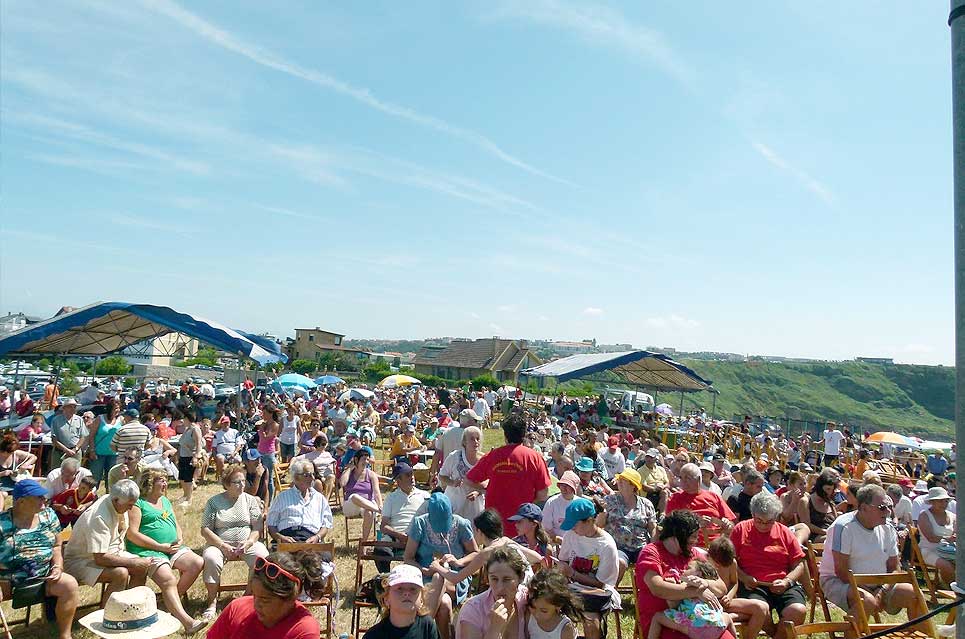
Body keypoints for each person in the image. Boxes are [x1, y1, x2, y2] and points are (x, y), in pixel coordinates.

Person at [64, 479, 206, 633]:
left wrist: (137, 563)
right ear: (116, 500)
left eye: (133, 504)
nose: (131, 508)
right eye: (129, 504)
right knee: (121, 573)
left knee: (140, 568)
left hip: (112, 553)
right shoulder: (99, 516)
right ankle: (108, 620)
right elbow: (100, 557)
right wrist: (134, 562)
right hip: (82, 561)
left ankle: (132, 614)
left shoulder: (119, 505)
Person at [819, 484, 927, 619]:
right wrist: (870, 590)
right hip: (838, 581)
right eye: (882, 508)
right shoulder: (844, 527)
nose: (888, 511)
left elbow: (895, 567)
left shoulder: (888, 528)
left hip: (880, 584)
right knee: (866, 600)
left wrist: (881, 590)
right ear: (864, 508)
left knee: (915, 595)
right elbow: (841, 571)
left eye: (889, 506)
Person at [0, 479, 79, 639]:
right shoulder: (2, 523)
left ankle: (65, 635)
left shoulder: (48, 516)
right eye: (39, 497)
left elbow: (57, 546)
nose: (44, 500)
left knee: (69, 584)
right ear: (21, 502)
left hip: (44, 576)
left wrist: (57, 567)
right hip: (6, 581)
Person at [634, 510, 731, 639]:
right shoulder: (651, 552)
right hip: (665, 623)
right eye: (693, 537)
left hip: (700, 621)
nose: (696, 541)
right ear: (676, 536)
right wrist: (695, 592)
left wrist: (706, 583)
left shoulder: (694, 554)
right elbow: (658, 588)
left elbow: (721, 587)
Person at [124, 468, 204, 615]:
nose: (166, 484)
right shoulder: (138, 503)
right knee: (168, 578)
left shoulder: (165, 501)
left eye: (166, 480)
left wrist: (179, 538)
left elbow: (175, 523)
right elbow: (132, 534)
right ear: (149, 483)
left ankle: (170, 602)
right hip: (147, 550)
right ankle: (176, 610)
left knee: (197, 563)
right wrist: (160, 547)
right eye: (161, 480)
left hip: (171, 548)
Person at [729, 492, 806, 639]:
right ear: (752, 515)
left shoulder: (784, 532)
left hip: (782, 583)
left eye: (769, 522)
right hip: (753, 585)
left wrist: (787, 581)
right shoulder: (740, 529)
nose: (763, 525)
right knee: (760, 610)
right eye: (759, 521)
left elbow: (799, 564)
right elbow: (730, 563)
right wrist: (744, 578)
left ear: (776, 517)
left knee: (798, 611)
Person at [200, 463, 270, 621]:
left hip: (246, 543)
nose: (242, 485)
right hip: (220, 544)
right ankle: (211, 602)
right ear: (226, 484)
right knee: (211, 558)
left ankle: (248, 597)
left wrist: (249, 543)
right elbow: (205, 529)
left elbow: (257, 527)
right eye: (237, 482)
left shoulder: (250, 500)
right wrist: (223, 546)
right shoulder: (214, 502)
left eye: (243, 481)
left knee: (263, 557)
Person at [405, 492, 479, 639]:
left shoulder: (461, 524)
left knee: (440, 576)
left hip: (456, 577)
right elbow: (408, 558)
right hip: (426, 578)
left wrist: (458, 562)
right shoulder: (420, 523)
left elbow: (476, 554)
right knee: (444, 604)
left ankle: (420, 631)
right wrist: (424, 570)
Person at [465, 413, 552, 535]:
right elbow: (543, 494)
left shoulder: (492, 456)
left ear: (505, 435)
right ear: (524, 434)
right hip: (523, 524)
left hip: (494, 525)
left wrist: (486, 488)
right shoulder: (535, 458)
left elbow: (469, 480)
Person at [206, 551, 324, 638]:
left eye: (265, 600)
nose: (256, 604)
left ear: (290, 598)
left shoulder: (303, 629)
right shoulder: (237, 608)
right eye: (254, 595)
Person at [557, 498, 621, 639]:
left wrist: (572, 573)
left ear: (589, 521)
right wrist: (562, 570)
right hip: (572, 588)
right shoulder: (571, 535)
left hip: (597, 593)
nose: (572, 529)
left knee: (590, 620)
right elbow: (563, 559)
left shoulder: (606, 545)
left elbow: (602, 584)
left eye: (575, 525)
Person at [647, 558, 737, 639]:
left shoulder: (689, 582)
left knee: (657, 617)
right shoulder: (708, 586)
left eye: (688, 568)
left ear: (698, 574)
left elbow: (674, 606)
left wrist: (672, 585)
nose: (683, 570)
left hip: (697, 630)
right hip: (717, 626)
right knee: (728, 617)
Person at [455, 547, 529, 639]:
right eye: (494, 579)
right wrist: (494, 629)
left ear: (521, 577)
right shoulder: (473, 609)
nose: (500, 587)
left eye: (507, 579)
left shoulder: (526, 600)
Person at [598, 468, 656, 581]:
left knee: (651, 564)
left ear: (633, 485)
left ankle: (646, 593)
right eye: (619, 479)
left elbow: (652, 528)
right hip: (618, 547)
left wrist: (653, 548)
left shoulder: (646, 504)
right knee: (620, 562)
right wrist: (602, 512)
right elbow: (599, 525)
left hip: (641, 547)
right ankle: (611, 592)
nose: (619, 481)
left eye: (623, 480)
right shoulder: (609, 501)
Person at [666, 463, 736, 547]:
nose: (683, 481)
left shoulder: (714, 497)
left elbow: (732, 522)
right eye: (681, 478)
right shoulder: (675, 498)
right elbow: (670, 525)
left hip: (717, 545)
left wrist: (727, 523)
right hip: (689, 545)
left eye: (687, 478)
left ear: (698, 479)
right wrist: (695, 523)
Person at [364, 563, 441, 639]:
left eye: (413, 589)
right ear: (387, 599)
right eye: (399, 589)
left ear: (421, 599)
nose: (407, 593)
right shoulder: (374, 635)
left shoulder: (427, 626)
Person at [378, 462, 430, 572]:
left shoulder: (425, 496)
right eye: (407, 475)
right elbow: (384, 526)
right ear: (398, 480)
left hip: (418, 536)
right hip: (395, 537)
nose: (412, 477)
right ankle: (387, 581)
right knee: (380, 551)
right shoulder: (391, 498)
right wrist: (400, 536)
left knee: (427, 551)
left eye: (412, 474)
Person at [267, 459, 334, 543]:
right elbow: (271, 524)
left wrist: (317, 537)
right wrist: (280, 538)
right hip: (287, 538)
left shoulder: (319, 498)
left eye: (313, 474)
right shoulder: (282, 497)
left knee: (316, 556)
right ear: (296, 477)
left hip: (311, 539)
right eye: (307, 475)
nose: (312, 478)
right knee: (282, 557)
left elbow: (326, 524)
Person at [439, 426, 485, 520]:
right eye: (472, 439)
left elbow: (488, 482)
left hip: (475, 508)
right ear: (464, 442)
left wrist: (478, 492)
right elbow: (442, 476)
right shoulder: (454, 457)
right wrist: (452, 482)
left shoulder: (484, 460)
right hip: (454, 503)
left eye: (477, 439)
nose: (476, 442)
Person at [339, 445, 383, 541]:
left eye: (367, 459)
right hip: (351, 505)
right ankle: (378, 511)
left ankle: (364, 544)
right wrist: (349, 469)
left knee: (369, 513)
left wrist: (380, 504)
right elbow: (342, 483)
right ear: (356, 459)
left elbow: (377, 492)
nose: (366, 462)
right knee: (354, 496)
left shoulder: (371, 474)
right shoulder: (349, 472)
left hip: (367, 505)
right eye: (364, 459)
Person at [525, 568, 584, 639]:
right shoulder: (529, 616)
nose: (537, 615)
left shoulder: (565, 628)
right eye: (532, 607)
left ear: (558, 605)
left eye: (544, 611)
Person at [917, 486, 957, 585]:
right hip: (929, 550)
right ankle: (952, 589)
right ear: (932, 502)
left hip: (950, 550)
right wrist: (948, 539)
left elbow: (957, 533)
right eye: (940, 501)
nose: (944, 504)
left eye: (946, 501)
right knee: (947, 566)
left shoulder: (953, 516)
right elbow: (931, 538)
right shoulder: (924, 515)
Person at [797, 468, 839, 541]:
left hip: (831, 534)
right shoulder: (806, 501)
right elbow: (806, 524)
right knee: (836, 540)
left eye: (832, 490)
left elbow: (836, 521)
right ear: (820, 487)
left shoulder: (830, 502)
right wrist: (825, 532)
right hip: (814, 536)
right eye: (828, 489)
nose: (830, 492)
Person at [542, 471, 581, 543]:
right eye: (562, 485)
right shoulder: (551, 502)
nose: (564, 488)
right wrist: (558, 540)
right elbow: (546, 528)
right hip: (556, 542)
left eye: (568, 486)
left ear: (573, 488)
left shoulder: (580, 503)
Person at [50, 398, 85, 467]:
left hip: (75, 452)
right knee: (57, 472)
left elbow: (82, 437)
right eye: (70, 407)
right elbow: (54, 439)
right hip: (60, 452)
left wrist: (75, 449)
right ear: (64, 408)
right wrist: (66, 450)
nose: (73, 409)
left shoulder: (79, 419)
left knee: (75, 472)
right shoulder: (56, 420)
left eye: (74, 407)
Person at [177, 415, 204, 505]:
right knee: (182, 478)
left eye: (183, 418)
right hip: (183, 456)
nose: (182, 420)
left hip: (190, 456)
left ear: (188, 419)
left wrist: (196, 457)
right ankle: (185, 495)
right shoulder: (187, 429)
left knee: (188, 479)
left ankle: (189, 499)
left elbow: (198, 444)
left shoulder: (195, 429)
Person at [212, 415, 244, 480]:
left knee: (238, 460)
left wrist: (234, 453)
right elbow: (214, 447)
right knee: (220, 459)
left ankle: (234, 476)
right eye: (224, 423)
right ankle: (222, 478)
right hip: (221, 454)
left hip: (233, 453)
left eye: (227, 422)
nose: (226, 424)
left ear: (229, 423)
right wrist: (215, 456)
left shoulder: (235, 432)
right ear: (221, 424)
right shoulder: (217, 434)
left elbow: (239, 444)